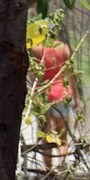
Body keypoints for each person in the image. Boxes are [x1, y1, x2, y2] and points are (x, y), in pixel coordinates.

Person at [29, 38, 76, 171]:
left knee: (45, 135)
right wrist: (76, 97)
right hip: (62, 94)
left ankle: (48, 171)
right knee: (63, 136)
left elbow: (31, 73)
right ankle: (61, 166)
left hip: (42, 96)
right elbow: (71, 74)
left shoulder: (35, 49)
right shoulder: (63, 47)